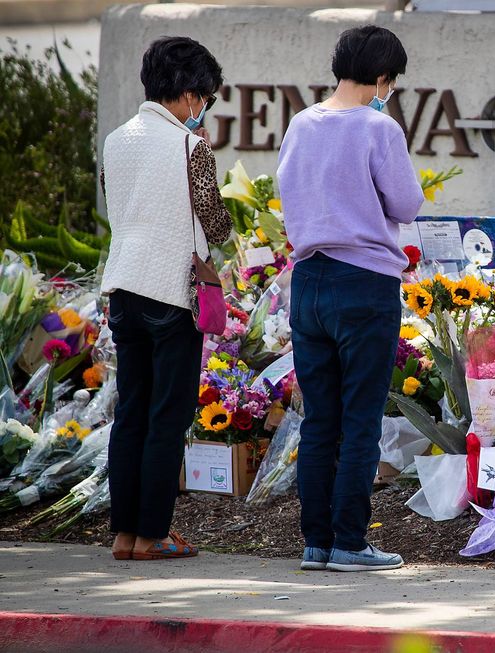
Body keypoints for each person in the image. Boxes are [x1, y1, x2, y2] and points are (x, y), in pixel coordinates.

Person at [278, 25, 424, 572]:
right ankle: (350, 543)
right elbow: (407, 204)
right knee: (360, 420)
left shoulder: (301, 122)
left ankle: (316, 543)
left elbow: (288, 191)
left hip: (309, 281)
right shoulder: (379, 128)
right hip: (364, 284)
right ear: (383, 77)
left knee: (319, 420)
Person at [100, 36, 232, 560]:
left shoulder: (116, 139)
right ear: (188, 93)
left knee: (130, 412)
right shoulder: (190, 147)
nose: (203, 109)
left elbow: (119, 206)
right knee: (166, 416)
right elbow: (216, 222)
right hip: (172, 293)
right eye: (206, 98)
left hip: (123, 289)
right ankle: (153, 534)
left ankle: (123, 534)